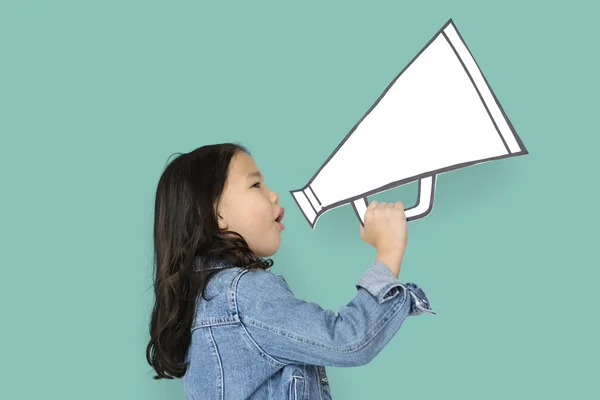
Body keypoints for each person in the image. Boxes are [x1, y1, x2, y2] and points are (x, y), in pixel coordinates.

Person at [146, 142, 435, 400]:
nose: (274, 196)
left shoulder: (207, 299)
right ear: (216, 213)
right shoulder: (241, 295)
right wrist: (389, 251)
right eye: (255, 185)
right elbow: (349, 341)